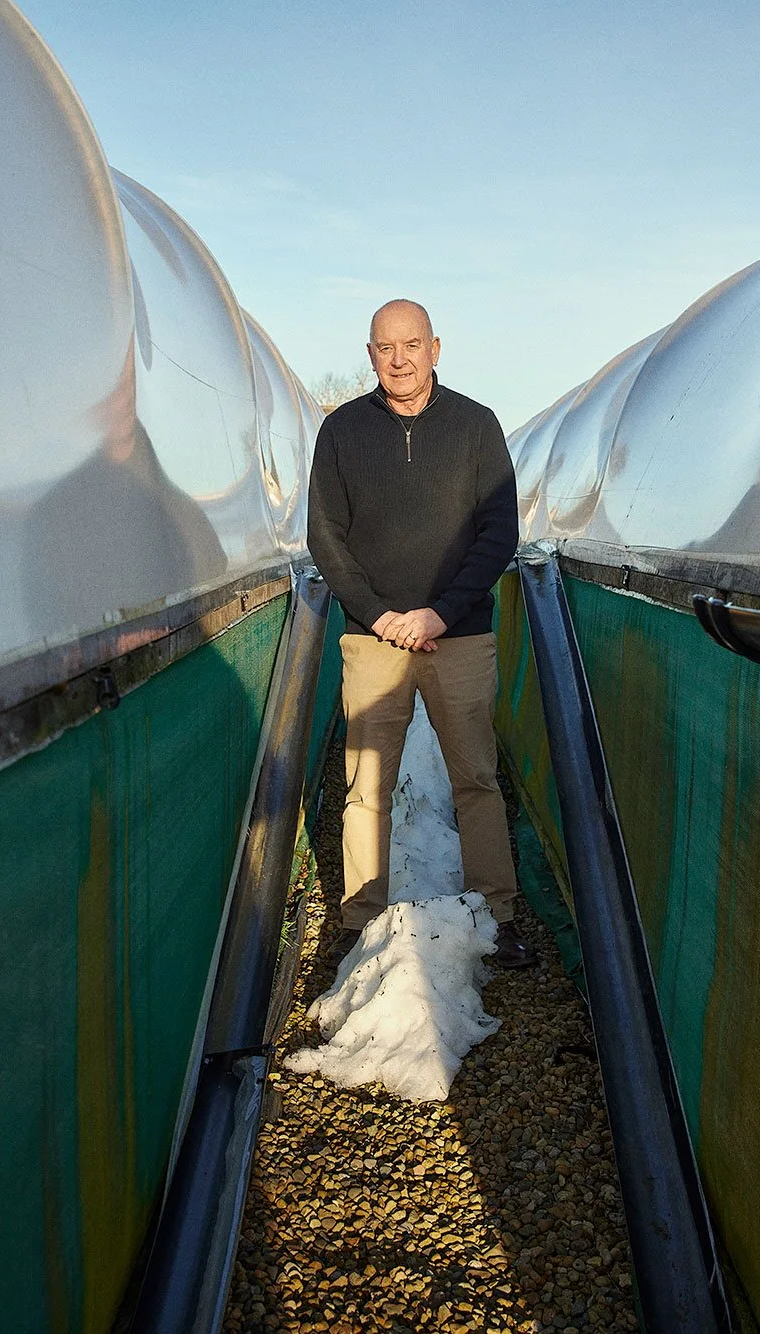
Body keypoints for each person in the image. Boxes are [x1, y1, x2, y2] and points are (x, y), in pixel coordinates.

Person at [306, 299, 533, 968]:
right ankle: (361, 924)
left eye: (411, 344)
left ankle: (496, 916)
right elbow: (327, 536)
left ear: (435, 347)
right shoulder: (343, 432)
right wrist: (377, 614)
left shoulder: (474, 427)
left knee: (476, 779)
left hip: (457, 636)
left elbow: (499, 534)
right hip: (372, 641)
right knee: (365, 786)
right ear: (369, 353)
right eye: (384, 347)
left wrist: (441, 611)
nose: (398, 358)